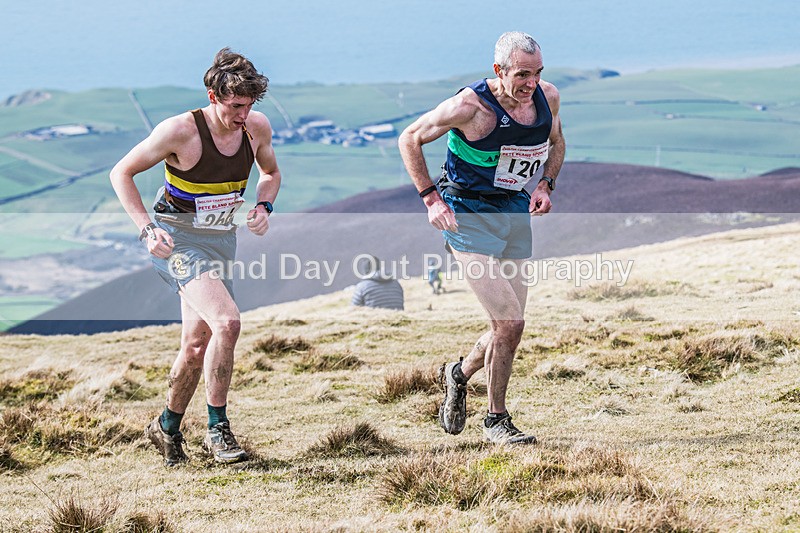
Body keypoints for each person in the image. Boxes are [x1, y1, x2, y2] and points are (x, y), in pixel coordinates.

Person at [109, 48, 281, 466]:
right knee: (228, 322)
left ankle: (166, 426)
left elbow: (271, 174)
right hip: (177, 242)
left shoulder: (255, 127)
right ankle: (217, 431)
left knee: (195, 345)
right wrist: (147, 229)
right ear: (212, 95)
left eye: (250, 105)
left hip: (221, 240)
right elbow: (121, 173)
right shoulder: (179, 131)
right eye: (236, 106)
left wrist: (263, 207)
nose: (243, 115)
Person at [398, 31, 565, 444]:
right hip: (467, 214)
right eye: (522, 74)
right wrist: (430, 199)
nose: (531, 84)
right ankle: (496, 420)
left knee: (505, 328)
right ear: (499, 71)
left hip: (512, 212)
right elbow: (409, 138)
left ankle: (457, 374)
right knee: (510, 321)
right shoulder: (469, 106)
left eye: (537, 73)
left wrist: (545, 184)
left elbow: (557, 141)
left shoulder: (548, 98)